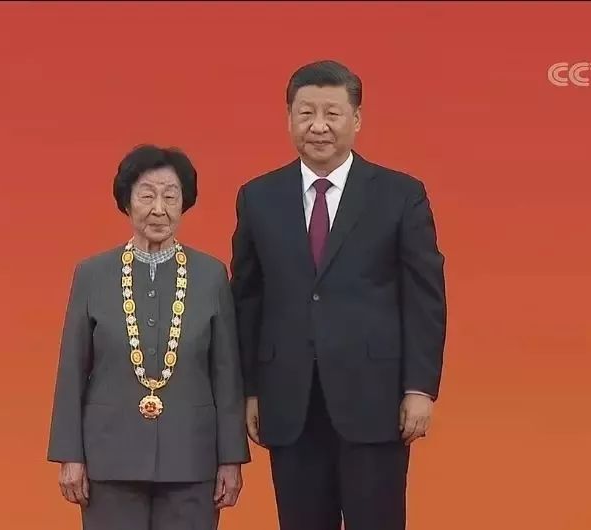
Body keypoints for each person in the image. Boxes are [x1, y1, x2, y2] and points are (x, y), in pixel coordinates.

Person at [230, 60, 447, 530]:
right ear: (289, 118)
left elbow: (425, 297)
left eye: (332, 113)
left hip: (376, 399)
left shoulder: (400, 194)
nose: (318, 126)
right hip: (288, 399)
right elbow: (246, 299)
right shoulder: (258, 197)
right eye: (306, 113)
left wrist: (419, 388)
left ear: (357, 119)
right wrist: (249, 389)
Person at [47, 144, 251, 530]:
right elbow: (72, 368)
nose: (159, 209)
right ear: (127, 202)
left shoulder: (211, 275)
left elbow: (226, 375)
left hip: (192, 460)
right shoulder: (92, 274)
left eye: (170, 197)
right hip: (110, 460)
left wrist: (231, 459)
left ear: (184, 203)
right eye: (147, 196)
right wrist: (69, 455)